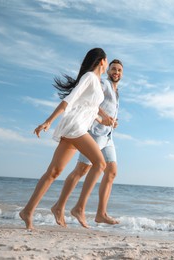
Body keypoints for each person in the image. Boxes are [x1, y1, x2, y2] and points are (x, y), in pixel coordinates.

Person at [19, 47, 112, 230]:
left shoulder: (96, 82)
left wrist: (103, 120)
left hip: (76, 126)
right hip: (75, 127)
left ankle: (27, 211)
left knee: (54, 172)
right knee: (100, 164)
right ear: (102, 61)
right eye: (107, 60)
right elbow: (70, 99)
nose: (107, 63)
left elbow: (87, 108)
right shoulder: (89, 77)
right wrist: (48, 121)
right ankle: (78, 207)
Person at [51, 59, 123, 228]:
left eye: (119, 70)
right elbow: (91, 100)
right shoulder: (104, 84)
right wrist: (103, 116)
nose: (116, 72)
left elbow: (107, 110)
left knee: (111, 172)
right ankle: (62, 206)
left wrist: (112, 121)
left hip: (108, 136)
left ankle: (100, 213)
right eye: (113, 69)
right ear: (107, 71)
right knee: (81, 170)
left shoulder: (116, 90)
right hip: (94, 133)